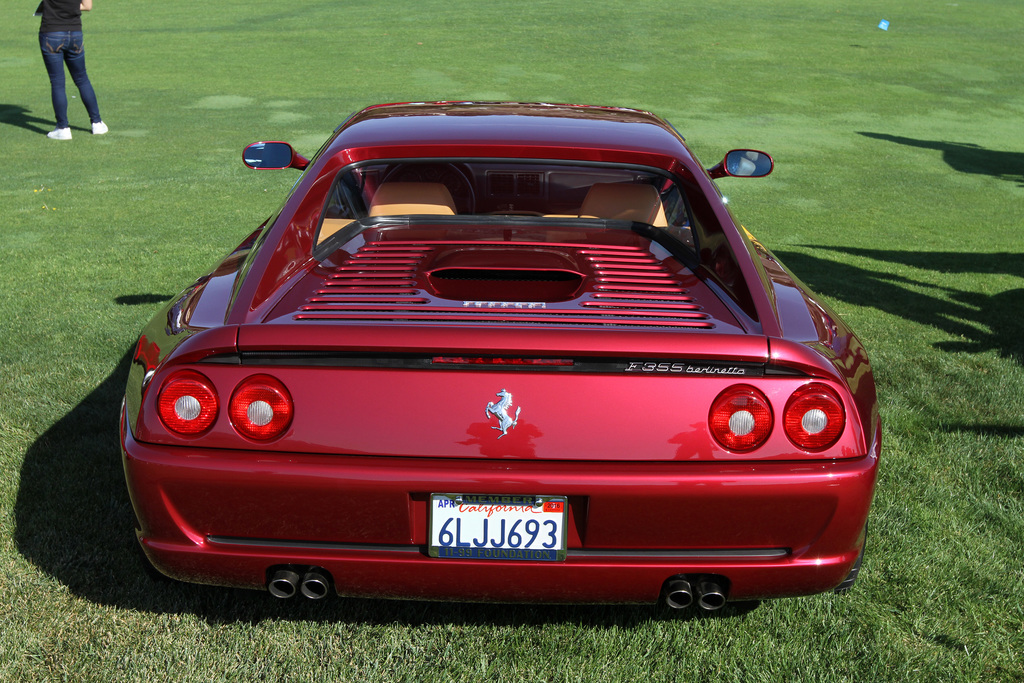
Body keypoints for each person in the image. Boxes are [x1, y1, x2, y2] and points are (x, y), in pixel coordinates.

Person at [38, 0, 107, 140]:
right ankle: (97, 123)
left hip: (51, 32)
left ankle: (62, 128)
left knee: (57, 82)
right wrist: (69, 8)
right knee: (82, 79)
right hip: (74, 33)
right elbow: (87, 6)